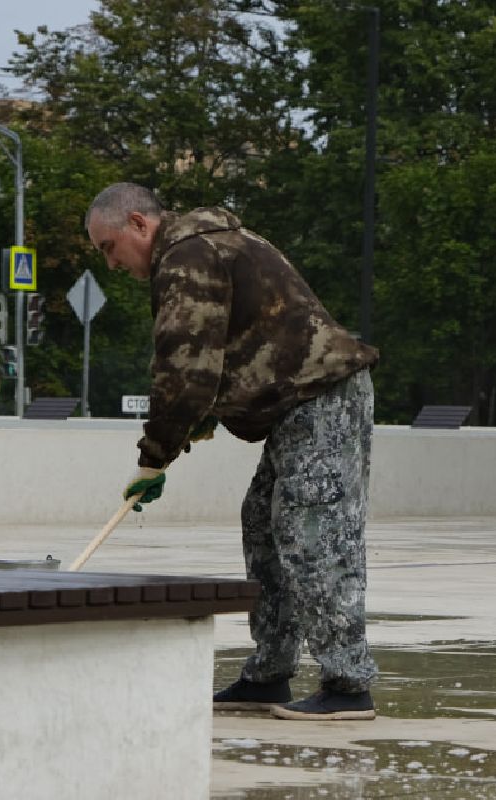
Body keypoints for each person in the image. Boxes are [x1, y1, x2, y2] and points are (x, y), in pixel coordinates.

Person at [85, 182, 381, 721]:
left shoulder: (186, 256)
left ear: (137, 224)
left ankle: (347, 684)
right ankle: (270, 674)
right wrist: (199, 419)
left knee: (312, 532)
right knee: (264, 524)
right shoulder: (207, 244)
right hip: (299, 405)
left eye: (108, 247)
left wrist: (154, 457)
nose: (111, 263)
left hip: (319, 401)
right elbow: (225, 354)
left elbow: (185, 371)